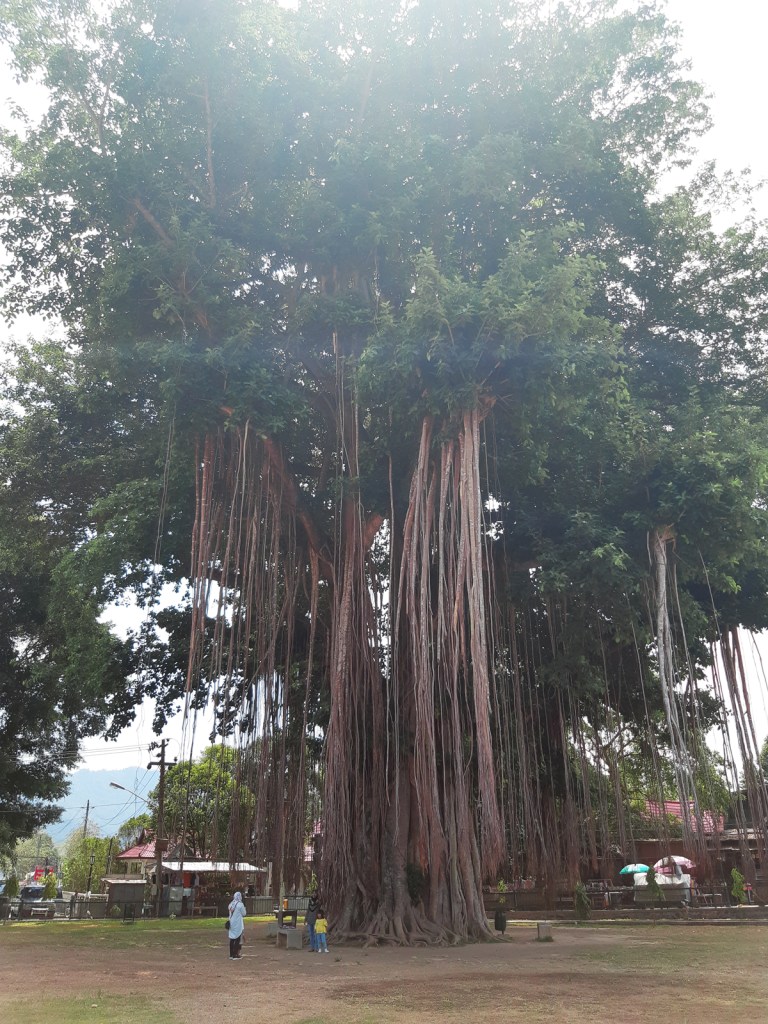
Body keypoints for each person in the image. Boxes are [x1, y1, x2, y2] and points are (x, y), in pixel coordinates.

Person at [227, 891, 247, 960]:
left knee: (232, 939)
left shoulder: (231, 904)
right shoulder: (240, 905)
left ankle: (231, 954)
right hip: (238, 924)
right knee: (237, 938)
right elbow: (244, 913)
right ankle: (235, 954)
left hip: (231, 923)